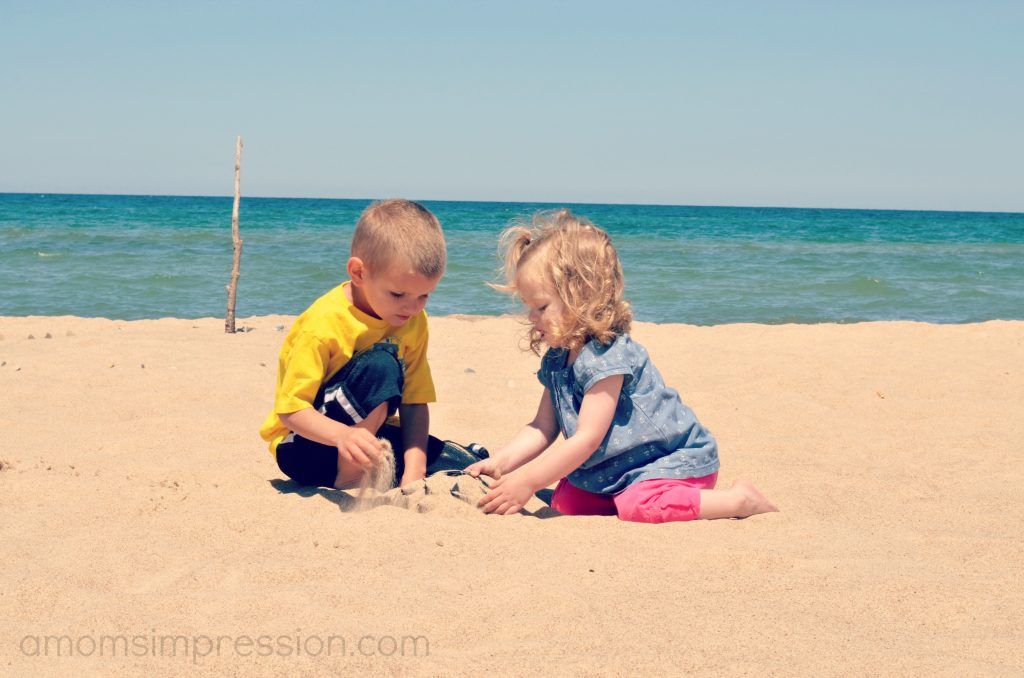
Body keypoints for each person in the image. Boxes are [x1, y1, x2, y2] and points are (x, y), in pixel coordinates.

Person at [466, 209, 777, 522]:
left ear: (581, 296)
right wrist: (502, 463)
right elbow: (542, 427)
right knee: (566, 503)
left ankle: (740, 500)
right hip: (614, 470)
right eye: (529, 307)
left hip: (670, 463)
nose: (532, 317)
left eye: (541, 306)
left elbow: (587, 438)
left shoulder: (606, 357)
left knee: (638, 506)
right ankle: (619, 495)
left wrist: (529, 481)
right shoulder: (558, 358)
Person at [260, 199, 466, 489]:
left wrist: (414, 473)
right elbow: (290, 411)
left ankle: (380, 469)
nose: (413, 307)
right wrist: (342, 436)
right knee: (382, 362)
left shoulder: (413, 320)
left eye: (424, 296)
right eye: (398, 294)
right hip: (307, 448)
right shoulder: (323, 324)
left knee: (460, 464)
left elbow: (414, 402)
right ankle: (352, 478)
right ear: (358, 273)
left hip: (367, 439)